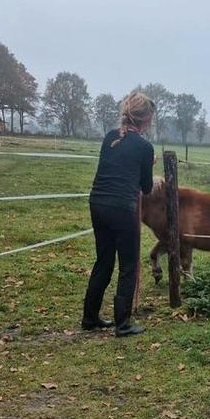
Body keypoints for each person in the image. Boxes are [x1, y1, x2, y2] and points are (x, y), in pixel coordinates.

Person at [82, 91, 156, 336]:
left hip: (98, 204)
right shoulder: (145, 147)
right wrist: (147, 167)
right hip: (123, 209)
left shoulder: (110, 137)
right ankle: (122, 323)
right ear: (145, 119)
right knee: (129, 265)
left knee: (103, 261)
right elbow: (145, 188)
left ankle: (90, 318)